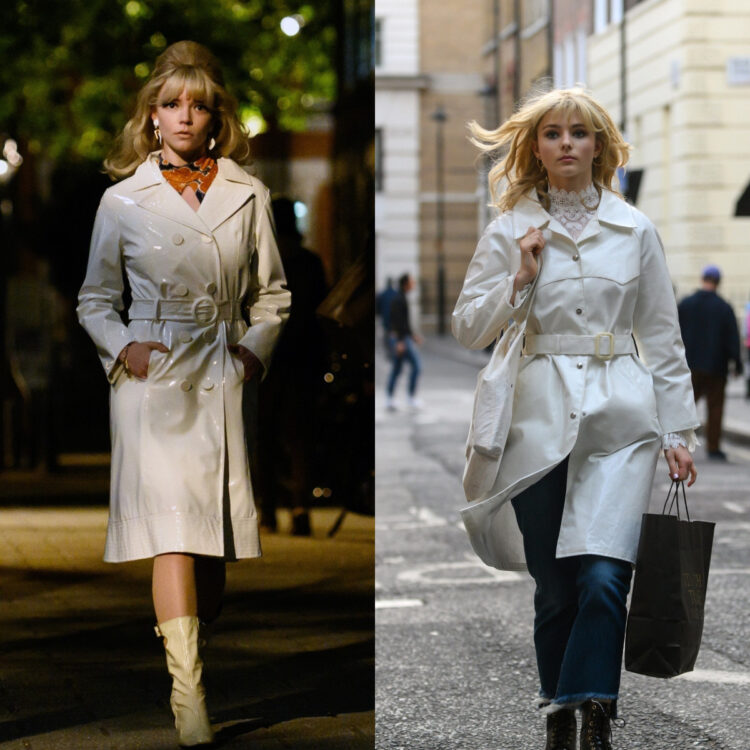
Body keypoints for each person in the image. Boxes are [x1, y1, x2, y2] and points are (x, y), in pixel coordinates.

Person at [453, 87, 698, 750]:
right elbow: (468, 326)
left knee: (603, 574)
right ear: (535, 148)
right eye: (553, 133)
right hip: (535, 422)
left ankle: (591, 706)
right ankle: (559, 704)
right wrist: (520, 275)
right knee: (557, 585)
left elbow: (662, 334)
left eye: (578, 133)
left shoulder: (634, 228)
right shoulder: (509, 229)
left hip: (621, 419)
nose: (566, 143)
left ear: (599, 146)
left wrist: (678, 431)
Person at [77, 41, 290, 747]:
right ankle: (189, 699)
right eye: (171, 104)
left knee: (212, 553)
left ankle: (198, 624)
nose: (185, 117)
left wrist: (254, 354)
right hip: (154, 378)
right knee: (172, 534)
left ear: (216, 115)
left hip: (223, 373)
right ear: (151, 116)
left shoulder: (248, 193)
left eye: (198, 105)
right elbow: (94, 299)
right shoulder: (121, 200)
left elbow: (274, 295)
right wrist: (125, 348)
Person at [678, 265, 742, 460]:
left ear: (702, 278)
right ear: (718, 282)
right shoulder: (724, 307)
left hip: (689, 365)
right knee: (715, 409)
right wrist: (737, 364)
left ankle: (677, 443)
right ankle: (713, 448)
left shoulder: (685, 304)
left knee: (686, 406)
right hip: (716, 367)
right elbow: (732, 339)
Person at [385, 272, 422, 410]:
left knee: (397, 368)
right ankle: (409, 397)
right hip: (401, 340)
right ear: (406, 283)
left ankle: (391, 398)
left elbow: (404, 323)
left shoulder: (401, 298)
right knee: (416, 366)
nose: (414, 284)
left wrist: (413, 335)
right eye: (412, 282)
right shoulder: (399, 299)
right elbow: (396, 322)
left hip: (403, 338)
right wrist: (400, 341)